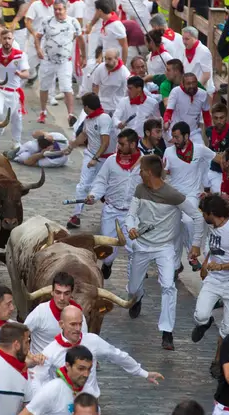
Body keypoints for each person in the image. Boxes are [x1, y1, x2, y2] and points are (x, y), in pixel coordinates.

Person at [125, 155, 204, 350]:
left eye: (141, 170)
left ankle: (167, 331)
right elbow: (130, 215)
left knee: (168, 286)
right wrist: (131, 227)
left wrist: (195, 244)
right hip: (142, 245)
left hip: (165, 248)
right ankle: (138, 296)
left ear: (149, 172)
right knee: (133, 288)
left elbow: (197, 217)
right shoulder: (140, 189)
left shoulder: (174, 195)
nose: (139, 173)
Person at [32, 306, 164, 397]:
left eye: (80, 324)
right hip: (64, 409)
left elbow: (117, 355)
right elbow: (37, 378)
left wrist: (143, 373)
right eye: (73, 324)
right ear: (61, 324)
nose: (78, 328)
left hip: (91, 405)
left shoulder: (92, 341)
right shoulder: (50, 351)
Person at [191, 195, 229, 374]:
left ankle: (218, 360)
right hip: (213, 280)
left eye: (204, 213)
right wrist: (205, 263)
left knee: (228, 327)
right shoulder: (212, 227)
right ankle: (205, 322)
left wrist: (221, 266)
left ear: (212, 213)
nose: (203, 216)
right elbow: (214, 248)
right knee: (200, 315)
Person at [86, 128, 143, 278]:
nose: (118, 147)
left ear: (132, 144)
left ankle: (135, 288)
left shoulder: (144, 162)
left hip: (132, 214)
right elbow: (100, 182)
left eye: (122, 144)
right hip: (111, 212)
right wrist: (93, 195)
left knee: (134, 249)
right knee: (108, 252)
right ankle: (108, 264)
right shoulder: (111, 161)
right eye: (118, 143)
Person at [164, 121, 215, 271]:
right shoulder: (168, 152)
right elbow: (164, 173)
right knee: (175, 230)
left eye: (177, 137)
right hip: (173, 196)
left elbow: (218, 159)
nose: (174, 140)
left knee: (188, 221)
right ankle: (175, 265)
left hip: (192, 195)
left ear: (186, 136)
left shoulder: (200, 150)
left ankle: (193, 253)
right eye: (173, 137)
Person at [63, 93, 118, 229]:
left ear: (87, 106)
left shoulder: (104, 118)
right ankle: (76, 216)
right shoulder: (88, 119)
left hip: (106, 159)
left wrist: (96, 158)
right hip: (90, 155)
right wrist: (71, 147)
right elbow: (83, 135)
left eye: (83, 105)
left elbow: (105, 143)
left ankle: (113, 215)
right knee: (83, 185)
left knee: (107, 188)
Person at [12, 345, 94, 415]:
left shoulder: (90, 392)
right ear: (67, 366)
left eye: (89, 369)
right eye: (81, 369)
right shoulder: (53, 389)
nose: (86, 374)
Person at [34, 0, 85, 124]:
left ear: (65, 9)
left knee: (67, 87)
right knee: (44, 86)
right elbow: (38, 36)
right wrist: (38, 49)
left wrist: (83, 55)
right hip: (48, 60)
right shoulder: (47, 21)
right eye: (55, 9)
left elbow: (80, 38)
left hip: (64, 61)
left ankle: (70, 115)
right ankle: (43, 112)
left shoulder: (73, 22)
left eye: (60, 9)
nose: (57, 12)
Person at [24, 272, 89, 354]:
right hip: (40, 364)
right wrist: (29, 356)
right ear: (52, 292)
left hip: (66, 365)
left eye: (66, 293)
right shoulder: (40, 312)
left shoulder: (78, 315)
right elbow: (20, 335)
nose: (62, 298)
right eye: (58, 293)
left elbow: (84, 343)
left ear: (71, 294)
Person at [162, 73, 210, 145]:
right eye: (188, 83)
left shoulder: (203, 94)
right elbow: (169, 111)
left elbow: (206, 115)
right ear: (182, 84)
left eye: (194, 83)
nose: (191, 86)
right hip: (176, 133)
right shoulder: (175, 92)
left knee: (200, 149)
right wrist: (166, 122)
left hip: (193, 133)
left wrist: (210, 131)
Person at [205, 102, 229, 190]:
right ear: (212, 118)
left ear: (226, 117)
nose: (219, 121)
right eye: (216, 118)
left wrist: (223, 155)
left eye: (221, 118)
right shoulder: (209, 131)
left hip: (227, 173)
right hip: (212, 168)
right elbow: (210, 146)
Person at [90, 48, 131, 114]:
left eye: (109, 59)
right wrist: (95, 103)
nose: (106, 62)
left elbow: (129, 91)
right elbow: (95, 85)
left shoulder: (125, 73)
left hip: (117, 107)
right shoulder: (100, 67)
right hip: (102, 105)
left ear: (117, 59)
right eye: (105, 58)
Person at [180, 26, 214, 101]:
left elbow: (206, 75)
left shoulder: (204, 51)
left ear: (194, 38)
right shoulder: (185, 50)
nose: (184, 42)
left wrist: (194, 88)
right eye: (183, 38)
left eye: (187, 39)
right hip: (189, 90)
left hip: (202, 91)